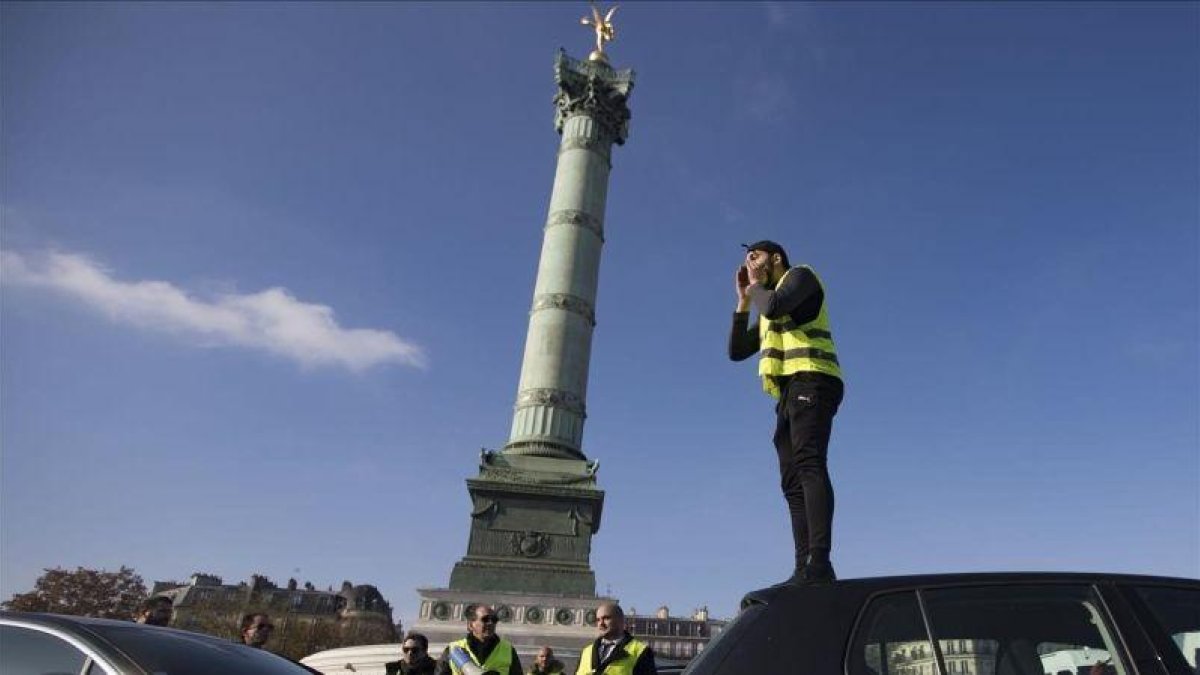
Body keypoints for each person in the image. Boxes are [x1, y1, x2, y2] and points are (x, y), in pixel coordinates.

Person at [729, 240, 844, 584]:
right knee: (791, 480)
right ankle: (802, 567)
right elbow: (736, 350)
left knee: (809, 463)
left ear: (775, 258)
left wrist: (756, 288)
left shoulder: (801, 277)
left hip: (814, 377)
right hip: (789, 393)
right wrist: (743, 301)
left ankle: (820, 561)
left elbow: (777, 305)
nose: (749, 263)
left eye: (755, 257)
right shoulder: (767, 306)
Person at [435, 605, 523, 675]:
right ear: (470, 625)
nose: (490, 623)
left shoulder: (508, 649)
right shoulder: (453, 649)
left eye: (494, 620)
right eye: (485, 619)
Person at [576, 602, 656, 675]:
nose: (601, 623)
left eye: (606, 618)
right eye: (598, 620)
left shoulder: (641, 652)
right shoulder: (586, 651)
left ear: (621, 620)